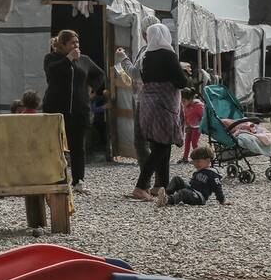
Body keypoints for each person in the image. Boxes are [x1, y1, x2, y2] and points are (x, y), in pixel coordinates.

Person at [131, 22, 188, 201]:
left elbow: (143, 77)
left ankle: (161, 186)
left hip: (148, 105)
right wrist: (185, 74)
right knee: (162, 146)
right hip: (164, 105)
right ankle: (141, 187)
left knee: (159, 144)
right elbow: (181, 82)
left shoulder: (146, 56)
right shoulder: (168, 54)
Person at [43, 30, 104, 193]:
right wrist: (68, 59)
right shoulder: (51, 59)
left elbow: (99, 74)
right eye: (72, 43)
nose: (76, 46)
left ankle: (78, 181)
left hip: (79, 110)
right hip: (56, 110)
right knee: (56, 146)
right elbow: (52, 73)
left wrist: (91, 88)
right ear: (62, 45)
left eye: (77, 42)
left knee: (78, 147)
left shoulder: (84, 60)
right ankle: (57, 179)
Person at [115, 14, 161, 166]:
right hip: (159, 100)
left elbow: (135, 74)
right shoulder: (167, 49)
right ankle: (157, 175)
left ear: (144, 34)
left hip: (145, 100)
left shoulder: (147, 51)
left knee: (141, 141)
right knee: (156, 141)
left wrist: (123, 58)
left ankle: (147, 174)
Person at [156, 146, 225, 207]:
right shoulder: (199, 170)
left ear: (207, 160)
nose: (195, 164)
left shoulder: (212, 173)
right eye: (194, 161)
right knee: (177, 179)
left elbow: (217, 188)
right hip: (191, 190)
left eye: (198, 161)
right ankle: (166, 195)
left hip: (199, 197)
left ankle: (168, 200)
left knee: (184, 192)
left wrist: (222, 200)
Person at [179, 88, 205, 163]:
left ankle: (197, 158)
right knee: (187, 142)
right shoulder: (186, 106)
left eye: (184, 101)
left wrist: (202, 126)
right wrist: (187, 126)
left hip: (197, 127)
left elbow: (203, 116)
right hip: (190, 127)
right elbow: (186, 117)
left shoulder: (198, 106)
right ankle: (185, 157)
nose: (182, 103)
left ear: (190, 99)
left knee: (194, 143)